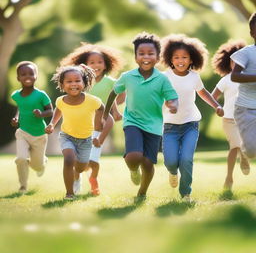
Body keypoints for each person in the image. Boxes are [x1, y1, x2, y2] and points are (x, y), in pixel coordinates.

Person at [103, 32, 178, 199]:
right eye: (141, 53)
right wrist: (108, 112)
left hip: (154, 125)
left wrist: (173, 105)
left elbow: (172, 97)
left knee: (148, 162)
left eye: (150, 54)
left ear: (158, 57)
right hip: (132, 121)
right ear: (135, 56)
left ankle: (142, 192)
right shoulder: (127, 77)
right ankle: (133, 170)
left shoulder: (162, 79)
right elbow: (113, 93)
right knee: (134, 157)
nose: (146, 57)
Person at [161, 34, 224, 202]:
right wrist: (168, 105)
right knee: (171, 161)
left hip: (190, 124)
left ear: (191, 59)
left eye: (184, 57)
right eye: (176, 57)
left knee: (187, 159)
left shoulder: (194, 76)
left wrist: (217, 106)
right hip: (169, 126)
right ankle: (173, 172)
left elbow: (203, 93)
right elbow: (158, 96)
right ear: (170, 59)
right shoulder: (164, 76)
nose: (180, 60)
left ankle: (186, 193)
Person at [60, 43, 124, 195]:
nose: (96, 65)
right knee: (80, 162)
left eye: (100, 62)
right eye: (92, 62)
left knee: (93, 162)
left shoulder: (110, 82)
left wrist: (115, 110)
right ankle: (76, 179)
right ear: (86, 65)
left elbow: (116, 96)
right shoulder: (82, 81)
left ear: (106, 64)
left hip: (100, 127)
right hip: (82, 126)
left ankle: (93, 179)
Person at [45, 65, 104, 200]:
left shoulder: (92, 100)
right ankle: (69, 193)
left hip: (86, 139)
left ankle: (77, 176)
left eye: (77, 81)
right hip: (67, 136)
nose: (73, 84)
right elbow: (58, 109)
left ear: (84, 83)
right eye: (69, 81)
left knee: (81, 167)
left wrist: (97, 127)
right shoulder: (61, 100)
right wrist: (52, 124)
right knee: (69, 159)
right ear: (62, 84)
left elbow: (101, 108)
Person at [211, 39, 250, 190]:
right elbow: (212, 97)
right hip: (229, 120)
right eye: (234, 61)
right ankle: (229, 178)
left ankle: (245, 157)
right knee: (234, 146)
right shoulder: (225, 80)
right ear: (228, 63)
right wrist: (217, 107)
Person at [11, 61, 53, 193]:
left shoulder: (41, 95)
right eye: (23, 74)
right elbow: (21, 107)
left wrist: (41, 114)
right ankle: (23, 186)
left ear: (36, 76)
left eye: (31, 73)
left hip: (39, 134)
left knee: (37, 165)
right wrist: (16, 118)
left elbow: (51, 111)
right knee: (21, 159)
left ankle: (41, 163)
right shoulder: (16, 95)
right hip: (22, 132)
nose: (27, 76)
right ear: (18, 78)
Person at [230, 12, 256, 159]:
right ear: (252, 33)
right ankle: (244, 151)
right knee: (252, 152)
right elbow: (235, 76)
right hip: (246, 108)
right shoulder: (246, 53)